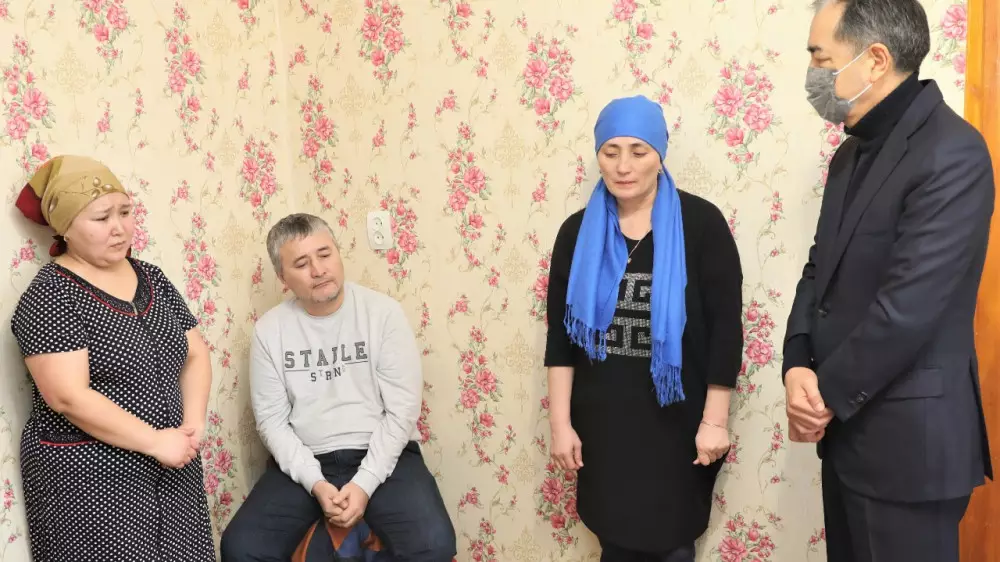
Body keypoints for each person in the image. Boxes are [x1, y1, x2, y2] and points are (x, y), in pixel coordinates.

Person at [783, 1, 995, 561]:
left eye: (821, 58)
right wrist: (797, 360)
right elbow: (819, 269)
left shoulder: (953, 151)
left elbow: (909, 308)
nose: (813, 73)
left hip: (909, 455)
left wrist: (823, 395)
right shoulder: (850, 154)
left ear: (874, 60)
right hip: (846, 440)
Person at [544, 95, 744, 562]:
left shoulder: (702, 225)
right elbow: (561, 339)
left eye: (638, 151)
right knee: (615, 545)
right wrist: (560, 425)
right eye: (610, 151)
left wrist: (715, 421)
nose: (623, 166)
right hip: (604, 430)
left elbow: (725, 332)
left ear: (660, 153)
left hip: (677, 428)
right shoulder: (576, 233)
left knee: (673, 546)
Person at [9, 155, 215, 561]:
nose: (119, 227)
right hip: (92, 482)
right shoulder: (51, 294)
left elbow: (196, 353)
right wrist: (155, 442)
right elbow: (67, 396)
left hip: (173, 463)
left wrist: (192, 424)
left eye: (125, 212)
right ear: (66, 227)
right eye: (102, 217)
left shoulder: (152, 277)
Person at [221, 213, 456, 562]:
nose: (318, 270)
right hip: (305, 458)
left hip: (382, 453)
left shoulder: (383, 314)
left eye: (325, 254)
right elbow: (271, 422)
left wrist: (364, 483)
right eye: (302, 263)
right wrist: (316, 483)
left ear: (338, 253)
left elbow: (403, 410)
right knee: (240, 548)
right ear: (282, 277)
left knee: (434, 544)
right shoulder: (270, 331)